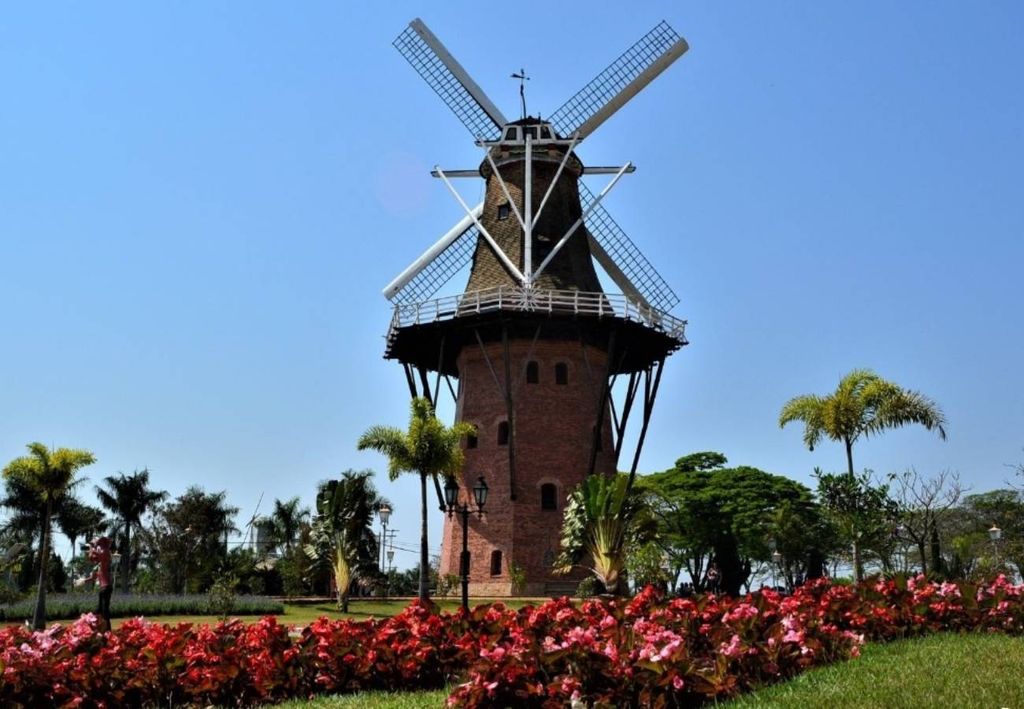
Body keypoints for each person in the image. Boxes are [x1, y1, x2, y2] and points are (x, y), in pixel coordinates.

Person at [84, 536, 113, 631]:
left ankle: (107, 630)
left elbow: (98, 554)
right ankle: (100, 628)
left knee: (104, 611)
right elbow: (93, 577)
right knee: (99, 611)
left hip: (106, 587)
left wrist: (92, 546)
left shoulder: (106, 554)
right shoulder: (100, 566)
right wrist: (82, 581)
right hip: (102, 589)